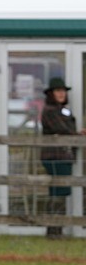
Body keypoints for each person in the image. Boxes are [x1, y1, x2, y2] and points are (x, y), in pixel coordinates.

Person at [39, 77, 84, 238]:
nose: (61, 94)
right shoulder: (49, 111)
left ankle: (56, 229)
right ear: (51, 93)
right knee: (58, 189)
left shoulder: (63, 110)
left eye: (63, 91)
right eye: (58, 91)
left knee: (60, 190)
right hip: (54, 155)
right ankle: (53, 229)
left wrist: (76, 135)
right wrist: (77, 135)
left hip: (65, 155)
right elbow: (61, 129)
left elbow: (67, 128)